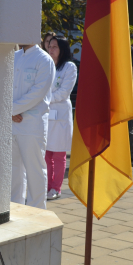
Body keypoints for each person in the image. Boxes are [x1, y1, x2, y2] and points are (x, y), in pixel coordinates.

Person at [12, 43, 55, 209]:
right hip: (12, 122)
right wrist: (9, 110)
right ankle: (14, 207)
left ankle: (37, 210)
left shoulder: (44, 59)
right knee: (14, 170)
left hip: (31, 124)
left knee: (34, 169)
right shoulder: (14, 57)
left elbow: (37, 93)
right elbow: (5, 85)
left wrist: (11, 109)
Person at [45, 36, 77, 200]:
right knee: (46, 154)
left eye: (55, 47)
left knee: (58, 154)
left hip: (60, 115)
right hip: (46, 114)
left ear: (62, 49)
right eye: (49, 46)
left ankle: (56, 188)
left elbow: (64, 93)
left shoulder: (69, 67)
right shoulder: (46, 65)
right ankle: (47, 186)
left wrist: (43, 98)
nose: (51, 49)